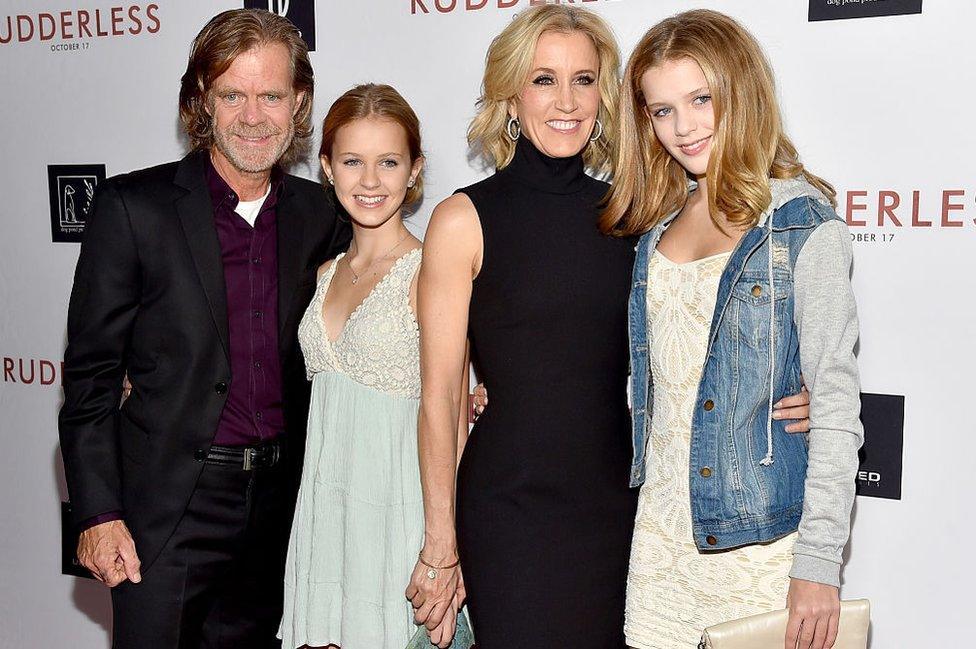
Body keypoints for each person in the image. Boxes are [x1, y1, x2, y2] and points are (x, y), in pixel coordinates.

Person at [58, 9, 349, 647]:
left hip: (283, 508)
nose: (253, 116)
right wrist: (99, 512)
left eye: (271, 95)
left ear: (298, 103)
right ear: (202, 101)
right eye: (233, 95)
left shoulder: (322, 215)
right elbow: (90, 379)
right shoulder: (133, 210)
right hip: (167, 511)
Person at [601, 10, 863, 649]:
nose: (683, 126)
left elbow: (834, 405)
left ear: (740, 93)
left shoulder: (802, 226)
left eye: (700, 99)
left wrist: (819, 566)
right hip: (660, 541)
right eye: (661, 110)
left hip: (760, 543)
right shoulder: (655, 227)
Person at [405, 6, 638, 647]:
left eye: (583, 80)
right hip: (509, 510)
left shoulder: (631, 213)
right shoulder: (463, 220)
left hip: (613, 506)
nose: (566, 100)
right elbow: (440, 396)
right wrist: (441, 542)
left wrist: (786, 395)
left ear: (603, 94)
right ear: (511, 95)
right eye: (543, 80)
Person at [278, 83, 471, 649]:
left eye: (388, 162)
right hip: (325, 512)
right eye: (353, 161)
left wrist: (445, 546)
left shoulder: (431, 271)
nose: (370, 181)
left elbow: (454, 413)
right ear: (326, 168)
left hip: (401, 515)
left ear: (415, 171)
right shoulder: (323, 275)